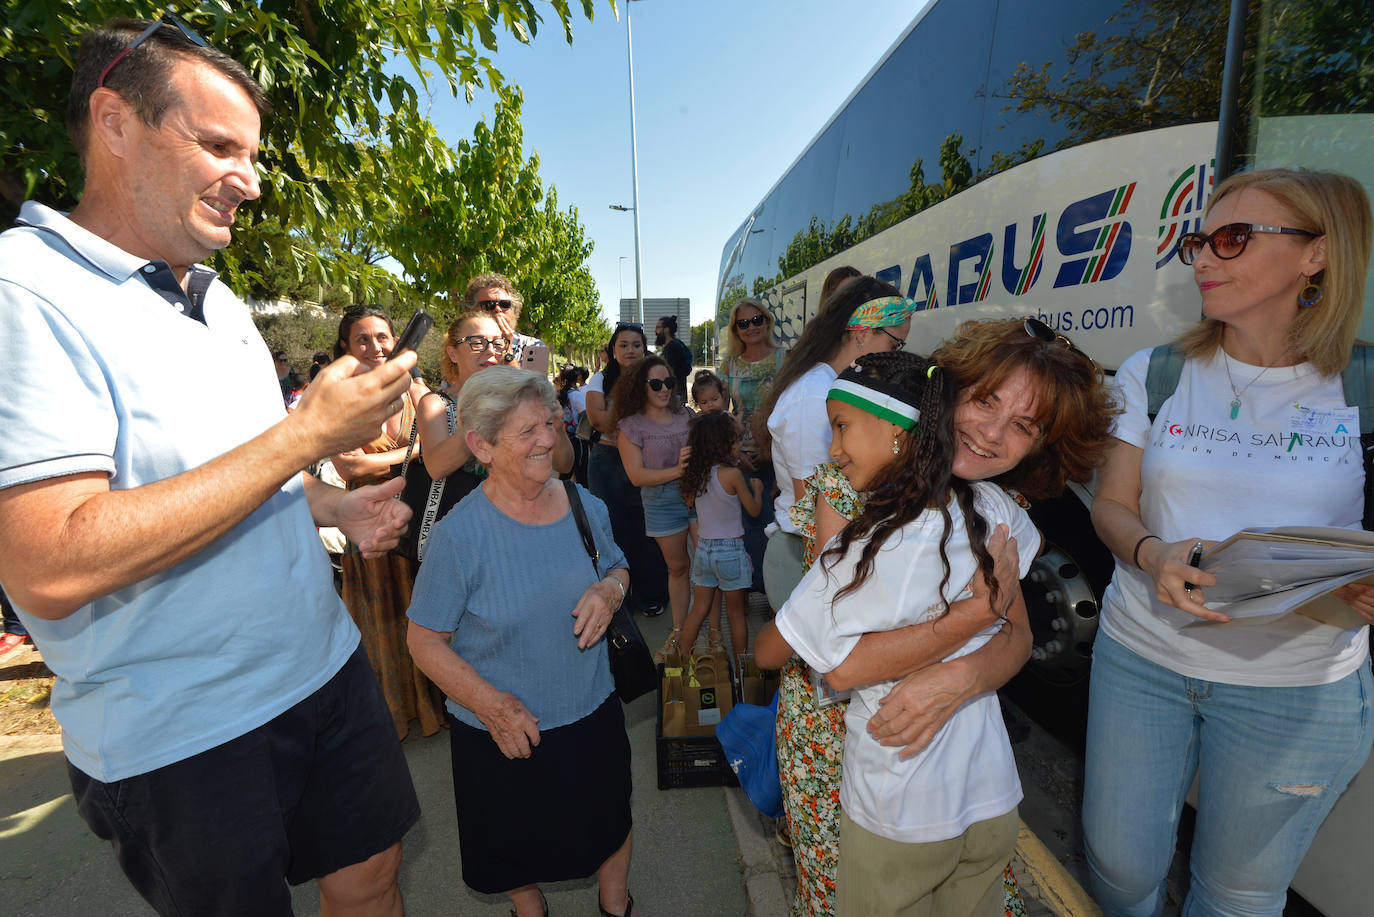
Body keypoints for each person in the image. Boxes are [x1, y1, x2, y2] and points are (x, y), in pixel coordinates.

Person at [0, 17, 419, 914]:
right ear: (114, 122)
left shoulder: (215, 294)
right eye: (220, 144)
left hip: (323, 667)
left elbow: (238, 471)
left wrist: (330, 506)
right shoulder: (22, 292)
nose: (252, 180)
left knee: (374, 879)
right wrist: (307, 437)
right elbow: (49, 561)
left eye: (254, 152)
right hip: (181, 734)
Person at [1084, 167, 1374, 917]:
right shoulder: (1158, 371)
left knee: (1240, 897)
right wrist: (1153, 555)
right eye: (1199, 241)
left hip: (1297, 691)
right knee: (1117, 869)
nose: (1205, 258)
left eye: (1233, 238)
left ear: (1317, 255)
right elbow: (1113, 505)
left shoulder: (1363, 386)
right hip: (1142, 659)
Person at [758, 320, 1116, 916]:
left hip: (947, 766)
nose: (993, 433)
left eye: (1024, 425)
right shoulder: (854, 485)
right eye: (984, 401)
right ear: (943, 390)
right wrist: (971, 621)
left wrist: (959, 680)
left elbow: (1019, 633)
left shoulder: (995, 505)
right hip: (842, 741)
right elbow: (843, 660)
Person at [406, 367, 639, 917]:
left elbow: (620, 567)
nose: (548, 440)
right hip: (503, 729)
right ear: (480, 446)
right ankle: (529, 910)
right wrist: (492, 708)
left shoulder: (586, 506)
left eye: (550, 424)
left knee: (610, 815)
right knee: (511, 840)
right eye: (527, 431)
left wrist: (609, 590)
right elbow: (423, 641)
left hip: (591, 711)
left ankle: (615, 903)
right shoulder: (459, 536)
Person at [756, 277, 915, 609]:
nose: (896, 355)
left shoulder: (833, 387)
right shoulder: (814, 395)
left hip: (828, 553)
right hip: (808, 558)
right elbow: (811, 509)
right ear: (861, 333)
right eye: (895, 344)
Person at [330, 307, 444, 740]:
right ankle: (393, 712)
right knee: (381, 616)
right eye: (363, 339)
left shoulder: (417, 388)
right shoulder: (341, 396)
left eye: (383, 336)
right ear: (346, 347)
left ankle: (434, 703)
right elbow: (348, 470)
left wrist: (389, 458)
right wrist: (416, 454)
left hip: (420, 515)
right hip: (368, 521)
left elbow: (441, 446)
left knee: (425, 613)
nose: (376, 346)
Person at [613, 354, 695, 658]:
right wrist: (679, 470)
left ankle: (709, 633)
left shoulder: (686, 415)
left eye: (669, 382)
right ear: (639, 386)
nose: (664, 389)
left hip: (699, 495)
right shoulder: (630, 427)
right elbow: (637, 476)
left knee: (707, 567)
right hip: (662, 503)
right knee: (679, 569)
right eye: (656, 383)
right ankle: (678, 634)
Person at [586, 323, 669, 615]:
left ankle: (651, 596)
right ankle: (618, 598)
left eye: (636, 344)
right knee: (612, 530)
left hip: (648, 460)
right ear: (613, 349)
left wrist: (621, 417)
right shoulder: (599, 380)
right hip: (607, 461)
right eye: (623, 344)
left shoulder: (656, 376)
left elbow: (664, 414)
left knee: (648, 531)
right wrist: (640, 416)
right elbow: (597, 419)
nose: (630, 350)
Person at [677, 411, 765, 656]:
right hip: (731, 551)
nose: (739, 446)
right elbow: (754, 511)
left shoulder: (698, 475)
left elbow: (687, 502)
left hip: (704, 549)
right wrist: (757, 489)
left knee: (699, 610)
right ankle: (740, 672)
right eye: (735, 441)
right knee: (736, 614)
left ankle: (684, 665)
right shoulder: (733, 475)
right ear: (721, 445)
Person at [719, 297, 785, 592]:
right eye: (744, 323)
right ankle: (748, 586)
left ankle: (774, 592)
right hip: (741, 459)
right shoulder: (729, 365)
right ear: (736, 330)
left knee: (778, 528)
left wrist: (772, 453)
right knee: (745, 529)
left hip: (780, 458)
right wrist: (733, 455)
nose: (751, 327)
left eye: (757, 319)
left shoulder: (786, 358)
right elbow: (719, 415)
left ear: (768, 321)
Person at [461, 272, 545, 364]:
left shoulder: (533, 347)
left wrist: (507, 350)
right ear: (471, 311)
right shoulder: (461, 345)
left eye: (505, 304)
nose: (498, 309)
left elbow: (533, 379)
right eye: (489, 305)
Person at [656, 314, 693, 384]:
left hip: (675, 390)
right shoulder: (677, 343)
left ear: (666, 329)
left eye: (658, 328)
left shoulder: (672, 347)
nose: (656, 331)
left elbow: (670, 372)